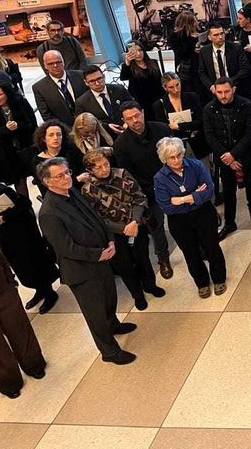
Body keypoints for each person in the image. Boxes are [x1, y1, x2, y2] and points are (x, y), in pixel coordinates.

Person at [37, 157, 137, 365]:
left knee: (109, 297)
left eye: (67, 172)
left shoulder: (73, 191)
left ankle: (114, 325)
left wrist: (110, 239)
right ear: (48, 182)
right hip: (81, 270)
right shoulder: (49, 213)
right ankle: (109, 351)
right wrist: (97, 255)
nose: (66, 177)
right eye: (60, 175)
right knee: (95, 313)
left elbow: (97, 218)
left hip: (102, 257)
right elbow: (66, 248)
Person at [81, 148, 165, 311]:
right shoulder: (88, 190)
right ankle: (137, 295)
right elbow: (97, 219)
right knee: (124, 266)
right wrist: (122, 228)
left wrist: (134, 221)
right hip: (114, 235)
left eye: (106, 164)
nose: (104, 169)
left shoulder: (122, 173)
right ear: (89, 170)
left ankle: (150, 285)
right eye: (98, 167)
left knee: (143, 258)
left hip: (136, 225)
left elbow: (140, 197)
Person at [153, 137, 227, 299]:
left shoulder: (196, 165)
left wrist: (181, 199)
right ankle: (201, 283)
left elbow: (209, 191)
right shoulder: (160, 178)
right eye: (171, 157)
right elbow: (166, 206)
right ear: (164, 159)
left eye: (179, 155)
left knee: (212, 247)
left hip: (204, 214)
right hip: (179, 221)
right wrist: (195, 196)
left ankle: (219, 278)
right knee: (191, 253)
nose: (177, 160)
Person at [112, 102, 173, 280]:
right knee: (156, 225)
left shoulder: (161, 129)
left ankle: (197, 248)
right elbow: (129, 175)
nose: (135, 121)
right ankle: (163, 258)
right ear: (123, 121)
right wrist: (152, 188)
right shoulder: (121, 144)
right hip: (147, 190)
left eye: (137, 116)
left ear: (143, 113)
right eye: (129, 119)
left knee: (184, 218)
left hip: (172, 182)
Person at [202, 78, 251, 241]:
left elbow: (249, 132)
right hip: (224, 158)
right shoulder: (209, 109)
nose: (223, 96)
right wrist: (228, 158)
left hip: (246, 154)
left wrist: (234, 154)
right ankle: (230, 222)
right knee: (229, 190)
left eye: (226, 91)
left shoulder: (246, 105)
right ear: (215, 91)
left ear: (233, 89)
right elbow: (209, 136)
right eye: (219, 92)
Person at [0, 224, 46, 399]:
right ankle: (7, 381)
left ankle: (34, 364)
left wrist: (10, 280)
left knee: (19, 328)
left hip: (4, 291)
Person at [0, 173, 59, 314]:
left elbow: (24, 204)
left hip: (22, 235)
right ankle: (40, 290)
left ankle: (49, 292)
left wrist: (1, 218)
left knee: (34, 263)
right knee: (22, 267)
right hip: (7, 238)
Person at [0, 83, 35, 195]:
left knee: (39, 175)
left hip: (27, 145)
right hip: (7, 152)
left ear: (7, 94)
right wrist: (5, 129)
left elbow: (32, 124)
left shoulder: (21, 103)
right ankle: (27, 209)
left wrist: (18, 125)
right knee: (19, 181)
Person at [153, 72, 209, 163]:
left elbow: (200, 121)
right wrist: (189, 125)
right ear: (165, 87)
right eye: (171, 87)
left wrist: (179, 127)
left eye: (177, 85)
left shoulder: (192, 97)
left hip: (197, 142)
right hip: (176, 147)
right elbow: (164, 129)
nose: (176, 89)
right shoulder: (159, 105)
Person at [28, 120, 86, 196]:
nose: (55, 138)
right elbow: (47, 188)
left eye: (59, 134)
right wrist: (77, 179)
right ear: (44, 139)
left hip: (82, 188)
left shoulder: (71, 149)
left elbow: (84, 167)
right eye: (51, 135)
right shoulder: (38, 162)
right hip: (62, 196)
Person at [74, 65, 133, 134]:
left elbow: (133, 106)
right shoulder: (81, 102)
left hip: (128, 130)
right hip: (104, 136)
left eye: (99, 78)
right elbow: (84, 124)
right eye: (92, 81)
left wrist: (127, 121)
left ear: (104, 76)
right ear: (86, 82)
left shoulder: (119, 89)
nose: (97, 83)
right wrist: (106, 126)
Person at [198, 22, 251, 96]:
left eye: (222, 33)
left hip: (236, 88)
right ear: (209, 37)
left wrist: (230, 83)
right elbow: (202, 72)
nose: (220, 37)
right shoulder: (204, 51)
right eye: (216, 35)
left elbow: (245, 68)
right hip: (215, 91)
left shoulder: (236, 48)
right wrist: (211, 86)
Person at [33, 50, 85, 126]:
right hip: (65, 130)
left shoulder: (80, 76)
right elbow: (46, 115)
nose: (55, 66)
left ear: (63, 62)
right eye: (50, 64)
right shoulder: (39, 88)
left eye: (58, 62)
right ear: (45, 66)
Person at [119, 40, 164, 112]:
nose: (138, 54)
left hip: (157, 99)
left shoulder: (153, 62)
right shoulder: (129, 67)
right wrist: (127, 62)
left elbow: (159, 81)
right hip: (142, 102)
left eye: (140, 50)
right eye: (134, 52)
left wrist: (163, 98)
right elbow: (123, 77)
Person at [168, 11, 201, 95]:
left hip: (199, 65)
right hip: (186, 68)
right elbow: (180, 53)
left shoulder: (198, 31)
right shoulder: (175, 36)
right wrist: (191, 41)